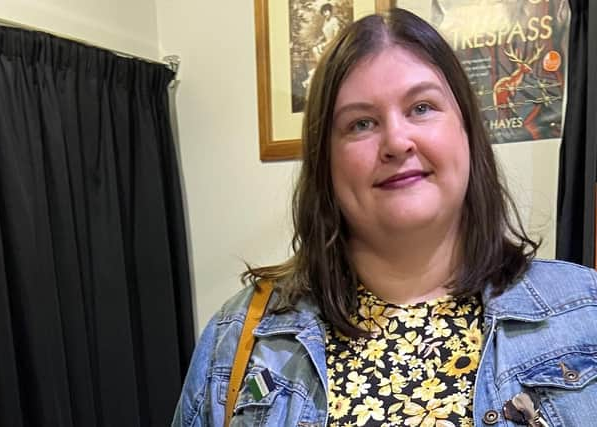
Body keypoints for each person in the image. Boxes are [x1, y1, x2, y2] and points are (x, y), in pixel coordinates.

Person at [173, 8, 597, 427]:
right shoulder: (237, 339)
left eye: (422, 107)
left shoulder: (585, 312)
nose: (396, 141)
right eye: (361, 123)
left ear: (467, 130)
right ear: (326, 163)